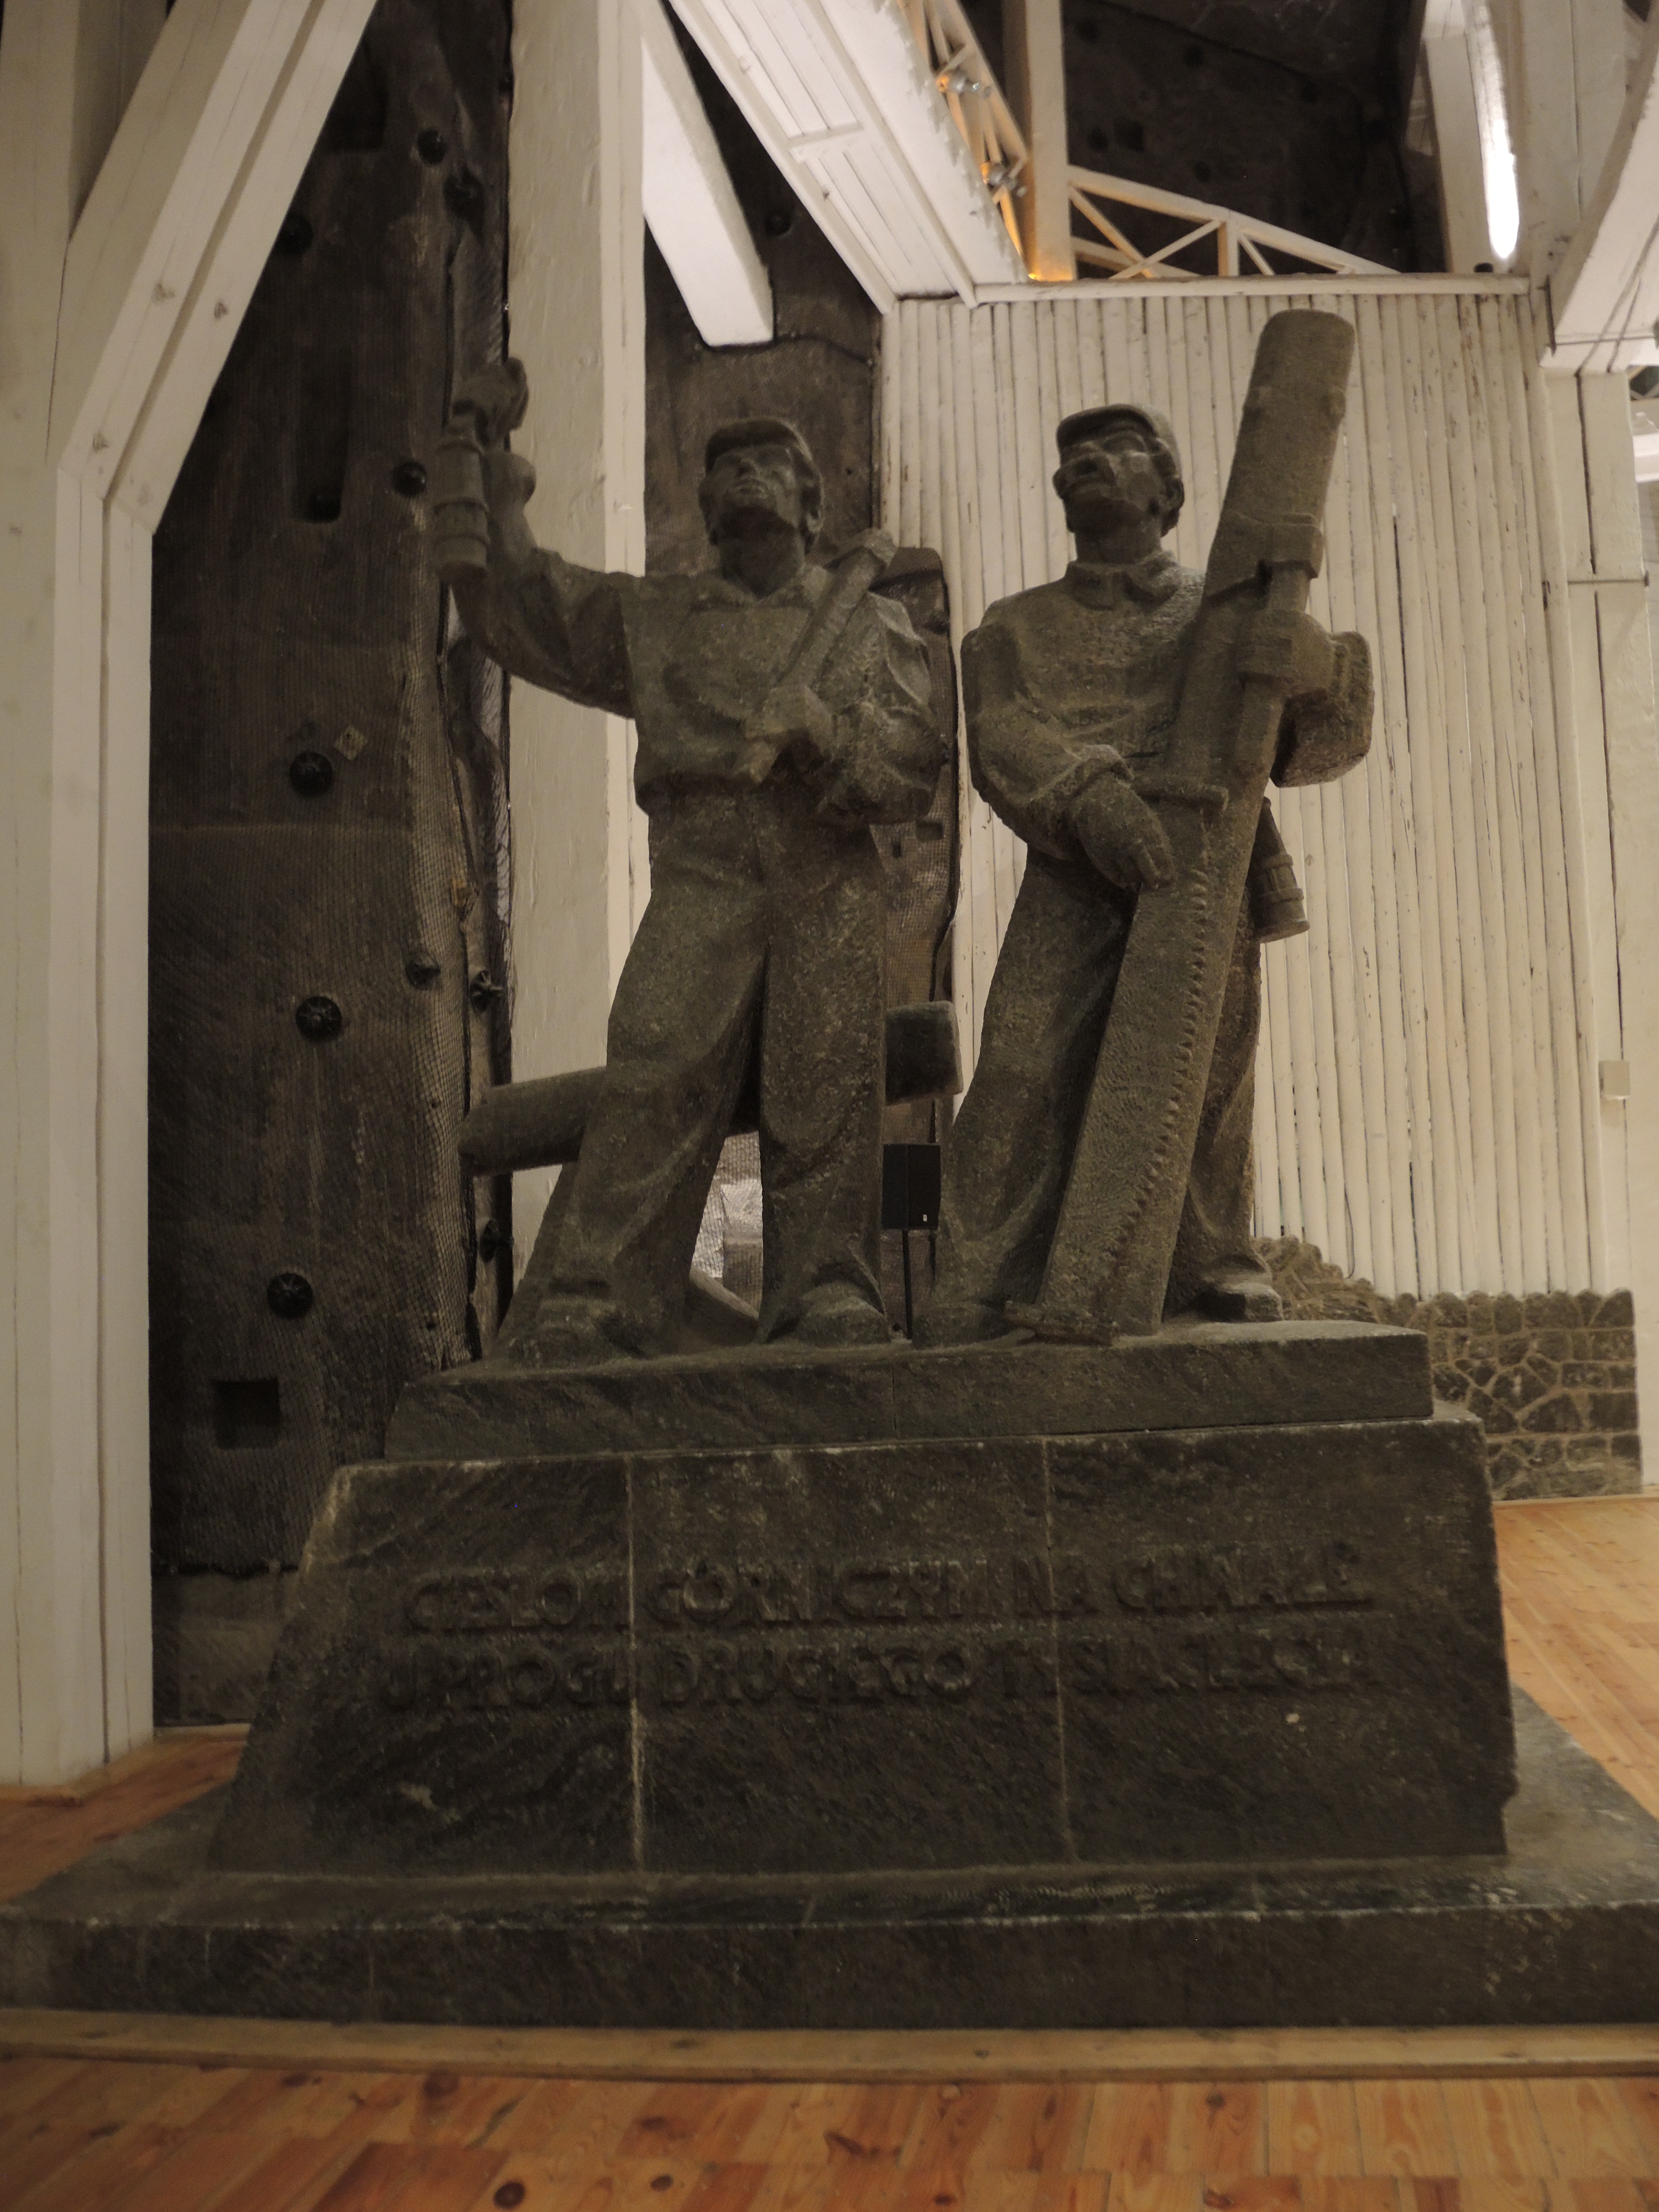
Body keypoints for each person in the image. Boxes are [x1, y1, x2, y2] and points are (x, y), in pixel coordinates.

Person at [431, 366, 941, 1364]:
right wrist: (483, 468)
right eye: (728, 466)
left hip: (825, 868)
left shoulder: (871, 624)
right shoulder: (657, 618)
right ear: (704, 508)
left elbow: (911, 768)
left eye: (773, 463)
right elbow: (528, 606)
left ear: (812, 505)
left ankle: (826, 1293)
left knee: (826, 1079)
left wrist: (826, 733)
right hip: (702, 862)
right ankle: (597, 1301)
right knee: (657, 1066)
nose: (749, 474)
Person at [918, 403, 1372, 1345]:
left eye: (1120, 449)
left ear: (1168, 491)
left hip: (1204, 861)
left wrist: (1315, 668)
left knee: (1207, 1069)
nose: (1090, 459)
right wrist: (1087, 798)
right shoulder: (1013, 629)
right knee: (1022, 1065)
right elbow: (1001, 739)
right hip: (1074, 866)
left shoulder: (1226, 612)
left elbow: (1312, 746)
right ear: (1059, 493)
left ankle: (1212, 1261)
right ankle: (982, 1271)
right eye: (1074, 454)